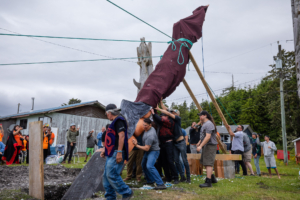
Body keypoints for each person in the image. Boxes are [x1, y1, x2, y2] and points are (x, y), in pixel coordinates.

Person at [100, 104, 133, 200]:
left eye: (106, 114)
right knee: (106, 177)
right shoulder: (115, 122)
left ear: (109, 113)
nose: (107, 116)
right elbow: (112, 139)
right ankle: (110, 197)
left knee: (112, 174)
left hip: (116, 152)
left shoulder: (119, 120)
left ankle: (127, 192)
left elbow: (121, 136)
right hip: (111, 152)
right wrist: (105, 150)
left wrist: (119, 152)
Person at [156, 101, 191, 183]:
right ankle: (182, 177)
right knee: (176, 161)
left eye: (173, 112)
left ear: (177, 114)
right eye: (171, 112)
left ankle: (188, 178)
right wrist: (161, 103)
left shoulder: (178, 119)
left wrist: (158, 109)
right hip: (174, 143)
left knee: (184, 160)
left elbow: (167, 112)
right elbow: (166, 109)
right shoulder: (170, 120)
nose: (171, 113)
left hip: (181, 142)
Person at [132, 118, 167, 190]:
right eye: (143, 125)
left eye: (146, 125)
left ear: (150, 125)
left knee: (149, 166)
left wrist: (136, 145)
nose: (144, 126)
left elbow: (146, 148)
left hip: (153, 151)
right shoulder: (149, 128)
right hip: (149, 150)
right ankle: (150, 180)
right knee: (143, 165)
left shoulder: (150, 135)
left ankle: (161, 184)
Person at [152, 109, 179, 184]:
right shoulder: (162, 122)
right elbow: (157, 119)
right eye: (161, 116)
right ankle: (168, 177)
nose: (161, 117)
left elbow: (159, 119)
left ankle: (176, 177)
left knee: (170, 161)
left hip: (169, 143)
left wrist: (154, 113)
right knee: (164, 161)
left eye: (162, 116)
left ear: (167, 116)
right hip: (162, 143)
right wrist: (154, 111)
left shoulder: (170, 121)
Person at [196, 111, 218, 188]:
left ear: (205, 115)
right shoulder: (205, 124)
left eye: (200, 115)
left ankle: (208, 182)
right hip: (206, 145)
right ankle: (212, 178)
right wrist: (199, 142)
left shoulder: (209, 124)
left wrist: (200, 146)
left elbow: (208, 137)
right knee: (205, 162)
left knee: (208, 163)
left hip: (210, 145)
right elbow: (204, 135)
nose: (199, 117)